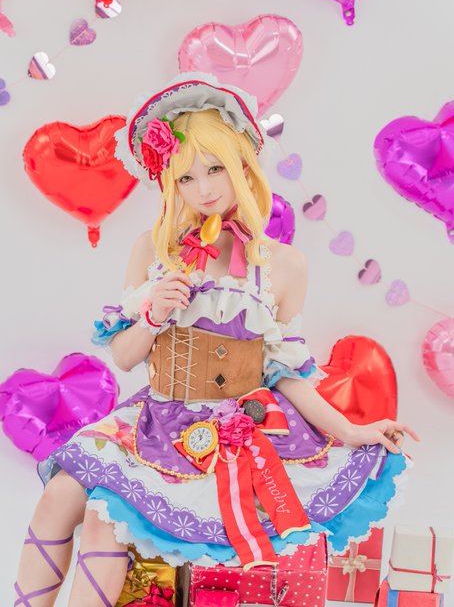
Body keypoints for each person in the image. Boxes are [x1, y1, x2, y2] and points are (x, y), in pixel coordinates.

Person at [14, 73, 418, 607]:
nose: (203, 189)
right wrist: (153, 314)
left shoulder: (284, 265)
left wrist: (351, 429)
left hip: (234, 427)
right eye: (185, 177)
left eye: (214, 169)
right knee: (59, 495)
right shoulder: (152, 250)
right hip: (157, 417)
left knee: (102, 520)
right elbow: (125, 358)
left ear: (242, 166)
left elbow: (286, 373)